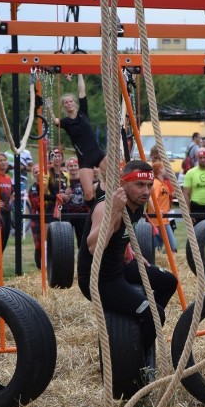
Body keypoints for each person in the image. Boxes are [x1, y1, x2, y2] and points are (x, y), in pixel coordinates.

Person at [77, 160, 178, 348]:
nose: (146, 192)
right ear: (123, 184)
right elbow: (94, 247)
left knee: (169, 281)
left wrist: (129, 249)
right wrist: (114, 210)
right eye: (139, 185)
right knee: (155, 314)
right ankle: (139, 360)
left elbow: (123, 231)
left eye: (149, 185)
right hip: (99, 280)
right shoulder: (106, 207)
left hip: (119, 267)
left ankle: (138, 327)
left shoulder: (138, 206)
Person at [52, 74, 104, 207]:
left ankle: (113, 204)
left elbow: (81, 91)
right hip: (84, 158)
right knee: (87, 193)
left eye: (70, 101)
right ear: (64, 106)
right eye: (66, 102)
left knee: (115, 178)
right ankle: (94, 212)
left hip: (98, 153)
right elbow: (55, 121)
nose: (69, 103)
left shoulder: (83, 113)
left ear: (74, 103)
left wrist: (80, 73)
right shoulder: (66, 122)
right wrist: (48, 107)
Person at [147, 145, 177, 252]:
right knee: (169, 244)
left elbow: (171, 192)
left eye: (160, 158)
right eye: (155, 158)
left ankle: (157, 260)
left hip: (167, 215)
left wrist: (173, 194)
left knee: (158, 243)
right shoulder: (154, 180)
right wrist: (156, 210)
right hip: (158, 218)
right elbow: (150, 197)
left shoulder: (164, 181)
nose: (157, 161)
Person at [61, 157, 90, 244]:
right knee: (66, 240)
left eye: (75, 165)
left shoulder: (84, 179)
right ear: (67, 167)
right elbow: (59, 193)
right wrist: (64, 195)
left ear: (78, 166)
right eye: (71, 166)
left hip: (82, 213)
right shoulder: (64, 179)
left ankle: (81, 257)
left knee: (82, 240)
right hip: (67, 213)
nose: (73, 168)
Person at [182, 147, 205, 219]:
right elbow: (186, 193)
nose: (203, 160)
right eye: (200, 158)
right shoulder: (190, 172)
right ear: (197, 158)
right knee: (197, 229)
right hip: (196, 207)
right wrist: (188, 212)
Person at [27, 163, 43, 268]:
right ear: (33, 175)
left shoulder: (50, 184)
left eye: (39, 171)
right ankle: (39, 268)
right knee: (39, 245)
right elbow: (37, 204)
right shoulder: (33, 188)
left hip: (48, 216)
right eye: (35, 172)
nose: (38, 174)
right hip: (36, 218)